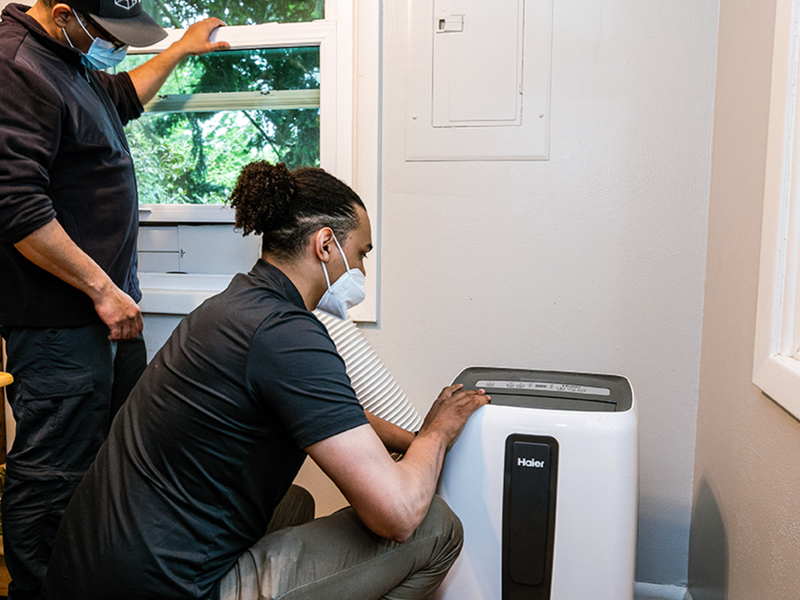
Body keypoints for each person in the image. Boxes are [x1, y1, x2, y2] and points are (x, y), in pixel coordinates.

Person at [41, 161, 491, 600]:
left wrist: (413, 440)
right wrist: (436, 435)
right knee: (434, 528)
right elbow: (396, 515)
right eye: (361, 254)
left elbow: (330, 413)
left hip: (92, 569)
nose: (362, 271)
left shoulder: (234, 308)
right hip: (167, 585)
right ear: (325, 244)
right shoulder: (286, 334)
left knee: (293, 502)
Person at [0, 1, 230, 597]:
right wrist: (103, 290)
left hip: (105, 313)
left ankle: (92, 580)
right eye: (110, 35)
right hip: (61, 321)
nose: (120, 48)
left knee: (113, 454)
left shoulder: (66, 57)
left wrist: (179, 49)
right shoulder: (16, 66)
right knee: (51, 473)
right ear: (63, 12)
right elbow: (16, 207)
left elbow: (122, 97)